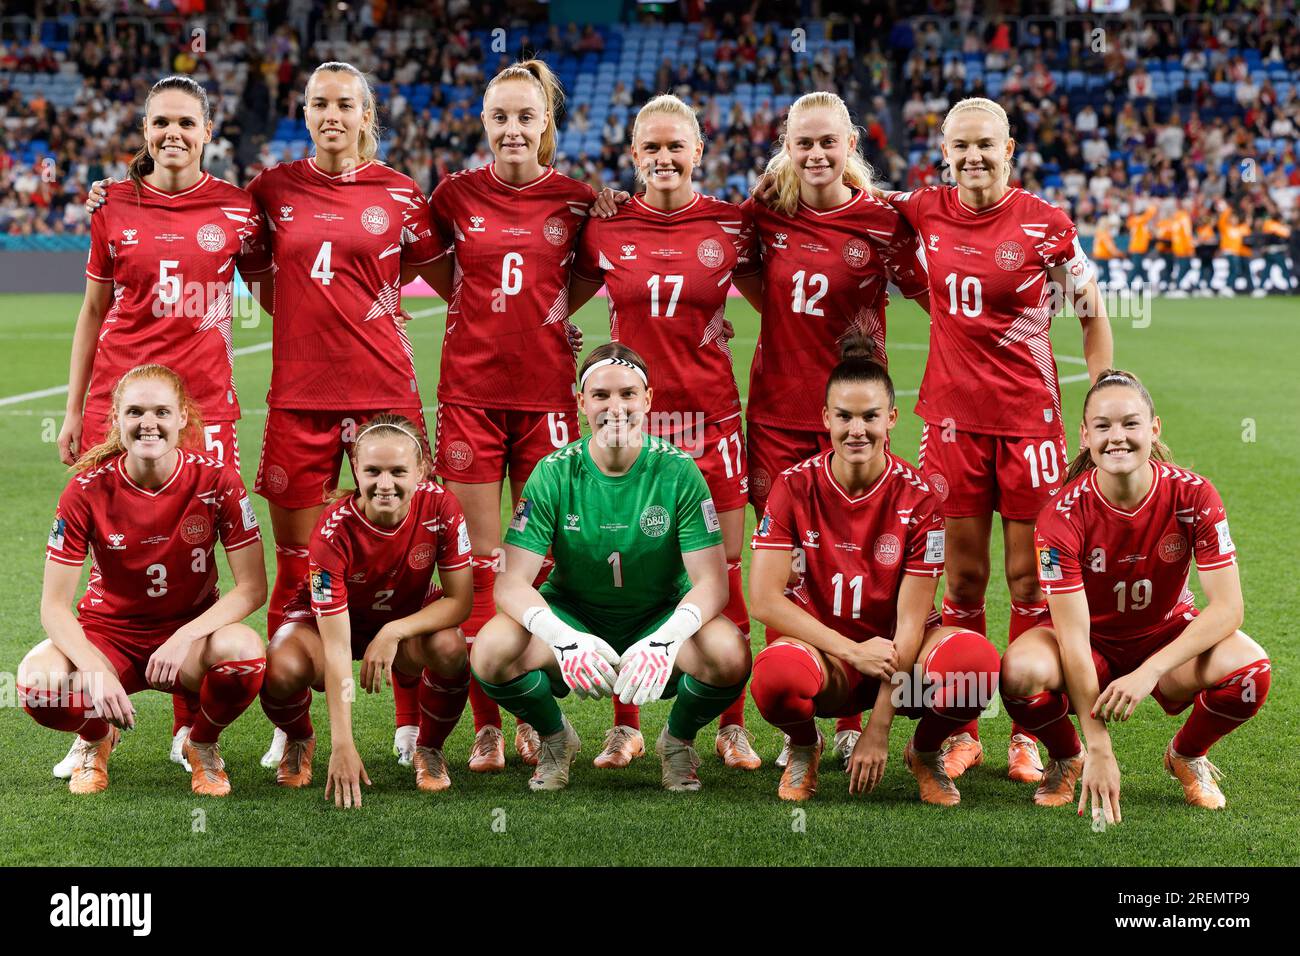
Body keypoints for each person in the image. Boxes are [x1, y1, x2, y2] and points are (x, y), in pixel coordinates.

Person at [882, 96, 1113, 782]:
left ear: (1009, 149)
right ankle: (960, 725)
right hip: (950, 424)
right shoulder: (922, 207)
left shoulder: (1048, 224)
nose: (974, 156)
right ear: (944, 153)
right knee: (964, 580)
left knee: (1026, 580)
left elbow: (1091, 314)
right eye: (961, 146)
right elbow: (842, 187)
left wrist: (1102, 403)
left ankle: (1026, 731)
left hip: (1030, 425)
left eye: (986, 144)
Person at [54, 75, 267, 778]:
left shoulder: (239, 209)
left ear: (208, 131)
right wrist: (73, 408)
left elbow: (280, 290)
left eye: (185, 122)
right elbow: (92, 311)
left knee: (197, 556)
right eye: (160, 123)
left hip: (206, 405)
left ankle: (187, 730)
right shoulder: (112, 203)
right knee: (110, 551)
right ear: (145, 133)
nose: (172, 133)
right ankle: (94, 726)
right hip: (119, 404)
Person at [568, 94, 763, 772]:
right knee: (630, 576)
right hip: (629, 425)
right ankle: (625, 725)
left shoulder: (734, 225)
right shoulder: (605, 228)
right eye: (650, 148)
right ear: (632, 156)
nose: (664, 158)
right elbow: (552, 295)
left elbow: (780, 286)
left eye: (676, 146)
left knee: (726, 576)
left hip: (713, 423)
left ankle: (730, 725)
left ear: (700, 151)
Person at [739, 90, 930, 768]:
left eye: (829, 141)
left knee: (857, 561)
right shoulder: (765, 211)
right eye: (803, 142)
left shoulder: (884, 221)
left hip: (854, 420)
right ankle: (800, 726)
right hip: (776, 414)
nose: (816, 153)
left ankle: (853, 716)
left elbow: (934, 294)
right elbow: (743, 274)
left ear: (852, 144)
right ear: (787, 145)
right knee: (792, 569)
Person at [416, 60, 597, 774]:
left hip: (548, 398)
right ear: (483, 122)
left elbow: (579, 280)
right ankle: (488, 726)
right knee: (480, 567)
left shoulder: (579, 200)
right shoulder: (454, 196)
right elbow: (441, 276)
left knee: (542, 562)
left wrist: (549, 325)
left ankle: (530, 708)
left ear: (546, 123)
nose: (513, 129)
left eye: (527, 117)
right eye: (500, 117)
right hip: (469, 396)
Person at [469, 343, 752, 792]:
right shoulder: (553, 472)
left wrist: (666, 637)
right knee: (490, 651)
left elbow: (713, 584)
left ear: (648, 400)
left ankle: (676, 742)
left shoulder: (678, 471)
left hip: (657, 616)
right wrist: (564, 639)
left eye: (627, 394)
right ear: (581, 403)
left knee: (730, 653)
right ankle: (556, 739)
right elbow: (510, 583)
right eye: (600, 395)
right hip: (576, 618)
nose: (614, 407)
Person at [1000, 370, 1269, 818]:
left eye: (1130, 423)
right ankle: (1068, 757)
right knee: (1018, 673)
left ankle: (1186, 754)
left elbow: (1229, 608)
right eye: (1103, 426)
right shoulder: (1059, 517)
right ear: (1085, 436)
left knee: (1251, 672)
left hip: (1166, 640)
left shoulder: (1195, 495)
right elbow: (1072, 638)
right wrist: (1099, 746)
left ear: (1154, 429)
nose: (1117, 437)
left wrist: (1150, 671)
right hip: (1091, 646)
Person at [748, 342, 999, 804]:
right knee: (775, 678)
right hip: (828, 659)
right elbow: (763, 600)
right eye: (844, 416)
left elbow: (910, 623)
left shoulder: (921, 498)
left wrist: (879, 725)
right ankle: (806, 746)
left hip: (900, 664)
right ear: (825, 419)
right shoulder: (792, 485)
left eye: (870, 417)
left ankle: (923, 752)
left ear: (891, 419)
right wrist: (850, 650)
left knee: (975, 667)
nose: (856, 430)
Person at [21, 364, 267, 796]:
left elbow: (252, 587)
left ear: (182, 418)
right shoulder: (86, 489)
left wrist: (184, 636)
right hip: (108, 634)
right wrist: (94, 667)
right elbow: (54, 606)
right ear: (115, 418)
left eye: (161, 412)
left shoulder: (217, 480)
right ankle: (96, 738)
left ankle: (201, 744)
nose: (148, 424)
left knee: (245, 653)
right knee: (34, 684)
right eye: (135, 412)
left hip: (187, 640)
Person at [258, 414, 474, 807]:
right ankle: (301, 737)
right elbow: (337, 648)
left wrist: (393, 632)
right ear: (355, 467)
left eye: (398, 471)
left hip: (401, 623)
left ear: (421, 470)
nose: (385, 484)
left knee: (450, 646)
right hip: (330, 627)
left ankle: (430, 748)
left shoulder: (442, 506)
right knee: (281, 664)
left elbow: (460, 602)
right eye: (372, 470)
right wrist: (344, 744)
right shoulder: (332, 531)